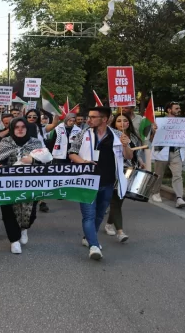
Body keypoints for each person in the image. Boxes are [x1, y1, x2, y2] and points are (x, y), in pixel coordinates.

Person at [68, 107, 133, 260]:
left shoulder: (117, 135)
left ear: (104, 119)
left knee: (99, 215)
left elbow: (128, 156)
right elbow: (72, 153)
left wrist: (126, 145)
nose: (88, 120)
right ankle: (94, 246)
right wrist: (83, 162)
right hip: (87, 182)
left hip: (108, 182)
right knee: (88, 215)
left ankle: (89, 237)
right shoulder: (83, 133)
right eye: (88, 116)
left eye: (93, 117)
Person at [0, 117, 44, 254]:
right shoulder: (5, 142)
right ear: (12, 129)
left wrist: (32, 160)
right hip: (7, 184)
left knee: (30, 213)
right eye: (17, 127)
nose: (20, 129)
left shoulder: (36, 143)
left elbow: (45, 161)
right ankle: (14, 240)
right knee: (8, 212)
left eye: (23, 127)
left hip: (30, 184)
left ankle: (24, 228)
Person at [151, 102, 185, 208]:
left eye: (179, 108)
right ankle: (156, 192)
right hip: (162, 151)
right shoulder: (159, 122)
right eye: (176, 108)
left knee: (178, 175)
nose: (178, 110)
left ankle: (179, 198)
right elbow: (151, 138)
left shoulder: (183, 123)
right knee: (159, 174)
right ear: (169, 110)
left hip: (176, 152)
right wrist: (154, 130)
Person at [104, 113, 146, 243]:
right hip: (114, 170)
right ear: (114, 123)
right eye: (119, 121)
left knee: (120, 200)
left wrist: (140, 160)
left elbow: (134, 152)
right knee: (115, 200)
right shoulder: (110, 135)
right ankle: (120, 232)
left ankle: (109, 223)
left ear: (129, 123)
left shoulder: (134, 137)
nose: (122, 123)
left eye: (125, 121)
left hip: (129, 171)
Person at [25, 108, 59, 213]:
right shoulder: (21, 127)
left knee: (39, 180)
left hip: (40, 157)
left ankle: (41, 202)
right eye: (29, 116)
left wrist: (50, 110)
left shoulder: (41, 128)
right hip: (26, 157)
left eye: (34, 117)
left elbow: (54, 123)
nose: (31, 118)